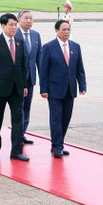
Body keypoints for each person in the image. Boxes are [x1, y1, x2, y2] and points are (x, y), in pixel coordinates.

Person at [0, 13, 29, 162]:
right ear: (3, 26)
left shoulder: (19, 42)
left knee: (18, 120)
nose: (14, 27)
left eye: (15, 25)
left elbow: (23, 66)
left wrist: (25, 85)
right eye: (11, 25)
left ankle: (16, 150)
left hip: (17, 88)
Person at [39, 19, 86, 158]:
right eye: (63, 29)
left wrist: (82, 85)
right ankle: (58, 146)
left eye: (68, 29)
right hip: (54, 90)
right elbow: (43, 70)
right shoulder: (48, 47)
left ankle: (57, 143)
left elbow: (79, 68)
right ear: (56, 31)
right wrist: (43, 89)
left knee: (66, 118)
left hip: (70, 90)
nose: (66, 32)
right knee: (56, 118)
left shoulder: (75, 46)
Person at [15, 10, 41, 143]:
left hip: (30, 79)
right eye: (26, 18)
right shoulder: (15, 34)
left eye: (31, 18)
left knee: (27, 107)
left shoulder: (36, 35)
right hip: (17, 79)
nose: (29, 21)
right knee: (19, 108)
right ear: (19, 20)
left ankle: (23, 132)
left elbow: (39, 59)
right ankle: (17, 134)